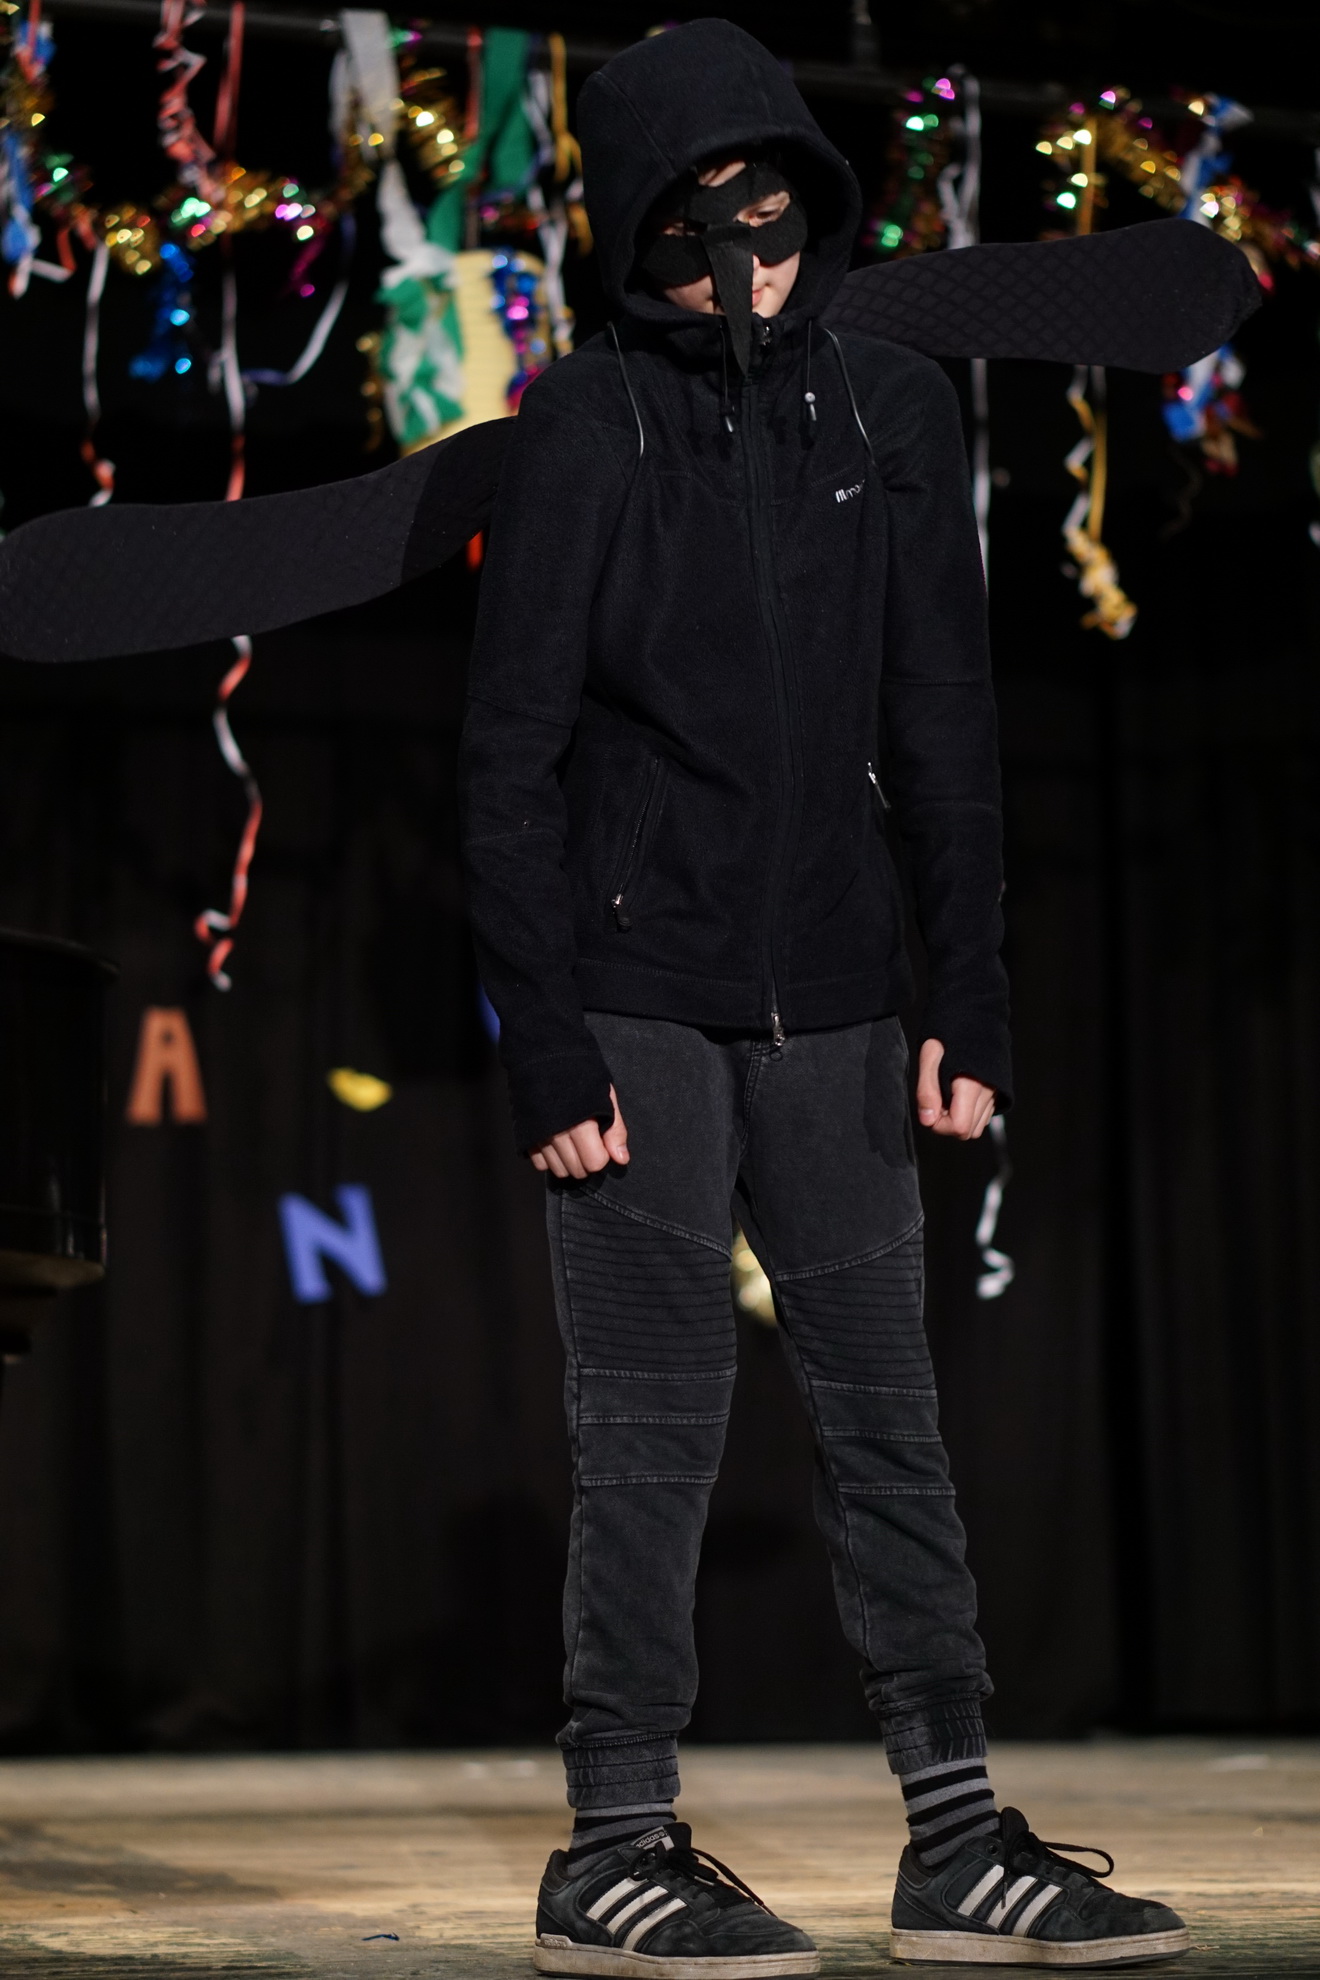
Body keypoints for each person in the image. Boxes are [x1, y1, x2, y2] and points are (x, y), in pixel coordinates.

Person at [459, 18, 1189, 1977]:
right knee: (653, 1431)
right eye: (698, 221)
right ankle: (615, 1842)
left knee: (891, 1427)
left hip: (849, 1001)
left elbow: (944, 727)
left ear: (814, 199)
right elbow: (507, 757)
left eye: (770, 208)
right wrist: (544, 1042)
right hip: (635, 1000)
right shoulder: (587, 424)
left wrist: (973, 1000)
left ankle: (954, 1838)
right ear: (641, 230)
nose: (746, 256)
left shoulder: (889, 411)